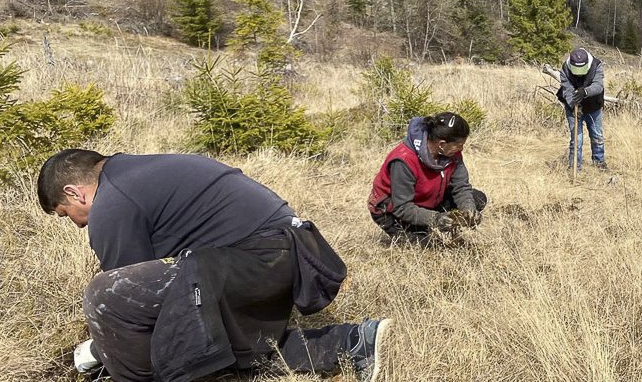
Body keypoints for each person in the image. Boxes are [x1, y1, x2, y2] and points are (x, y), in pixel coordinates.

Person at [37, 149, 390, 382]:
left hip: (253, 258)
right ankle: (353, 342)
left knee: (105, 295)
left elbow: (127, 299)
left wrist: (101, 351)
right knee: (217, 348)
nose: (79, 224)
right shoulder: (142, 172)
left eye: (66, 215)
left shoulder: (112, 202)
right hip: (287, 257)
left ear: (74, 193)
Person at [368, 111, 487, 245]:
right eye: (459, 144)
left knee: (477, 199)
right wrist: (435, 219)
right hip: (393, 213)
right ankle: (419, 229)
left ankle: (439, 225)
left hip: (428, 201)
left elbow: (461, 187)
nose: (461, 148)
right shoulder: (404, 160)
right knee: (430, 244)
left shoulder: (453, 154)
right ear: (441, 144)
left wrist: (468, 209)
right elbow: (401, 207)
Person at [555, 47, 606, 170]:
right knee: (576, 139)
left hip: (593, 106)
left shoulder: (596, 65)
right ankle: (574, 167)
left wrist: (585, 91)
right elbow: (567, 90)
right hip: (573, 106)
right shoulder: (565, 68)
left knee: (597, 136)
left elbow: (598, 86)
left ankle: (599, 163)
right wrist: (573, 106)